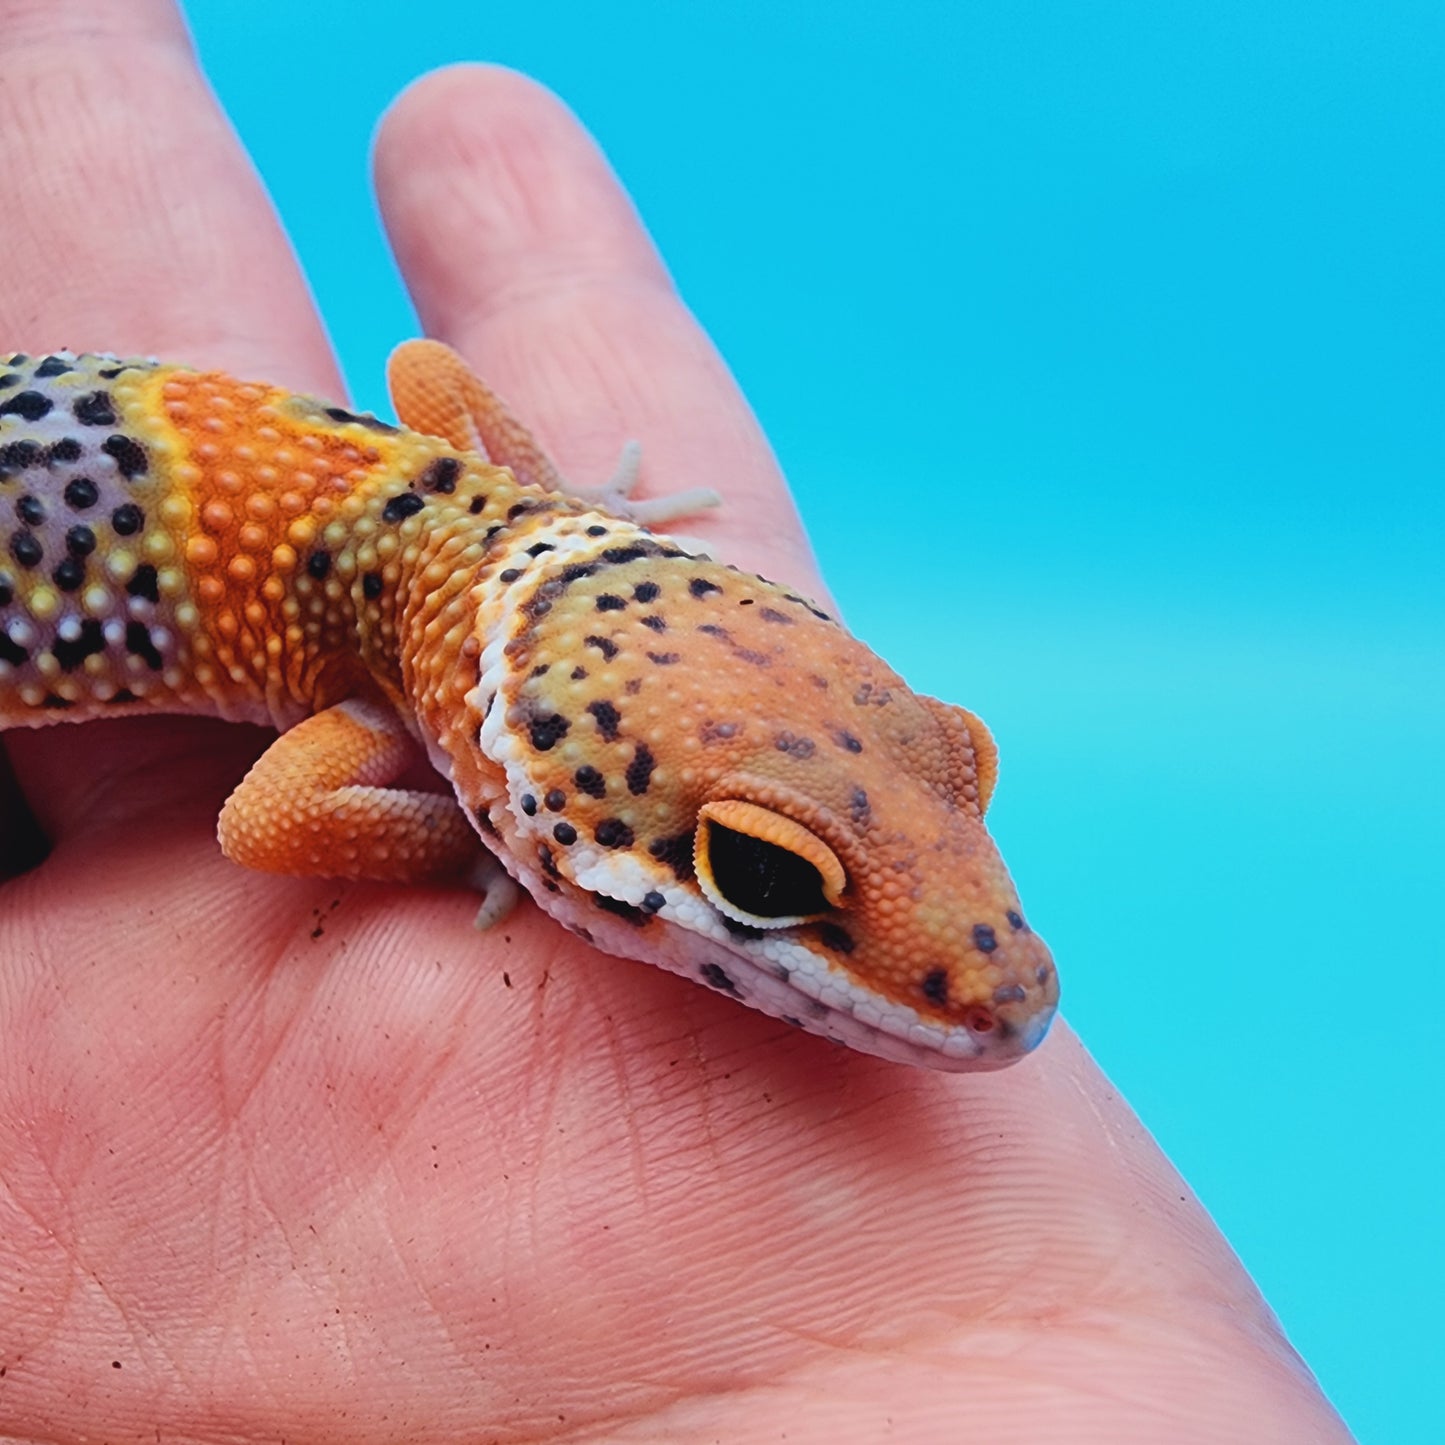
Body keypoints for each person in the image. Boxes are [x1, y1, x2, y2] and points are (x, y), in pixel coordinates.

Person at [0, 5, 1355, 1439]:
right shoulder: (401, 697)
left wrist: (569, 526)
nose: (978, 961)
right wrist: (471, 846)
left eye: (949, 773)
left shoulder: (447, 557)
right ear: (528, 788)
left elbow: (426, 382)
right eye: (766, 878)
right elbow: (265, 821)